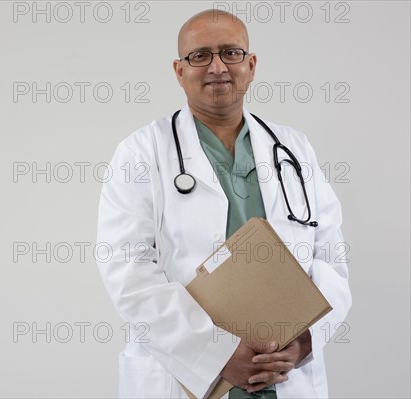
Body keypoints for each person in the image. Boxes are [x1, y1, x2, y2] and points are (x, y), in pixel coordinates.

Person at [96, 9, 351, 399]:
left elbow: (330, 257)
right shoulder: (140, 152)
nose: (217, 66)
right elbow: (126, 270)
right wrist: (216, 354)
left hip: (285, 373)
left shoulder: (295, 149)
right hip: (185, 376)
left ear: (250, 65)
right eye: (200, 56)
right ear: (179, 71)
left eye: (230, 53)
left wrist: (305, 343)